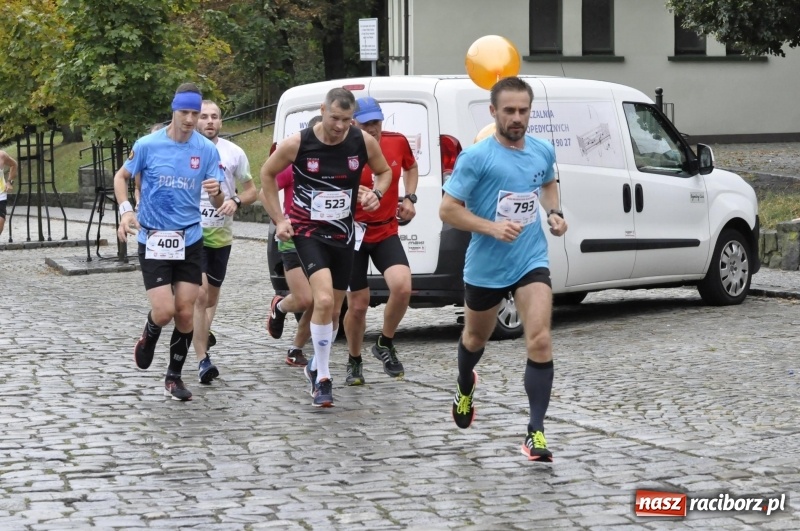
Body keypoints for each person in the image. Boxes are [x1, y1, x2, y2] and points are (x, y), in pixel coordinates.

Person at [438, 76, 568, 462]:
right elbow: (448, 210)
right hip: (486, 265)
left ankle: (535, 432)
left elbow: (547, 184)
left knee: (540, 339)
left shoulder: (542, 150)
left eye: (523, 111)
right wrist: (491, 227)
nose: (517, 118)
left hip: (530, 258)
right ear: (493, 111)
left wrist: (555, 213)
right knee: (474, 339)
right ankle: (465, 385)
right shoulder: (476, 157)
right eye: (509, 110)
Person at [260, 87, 392, 407]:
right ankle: (322, 376)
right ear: (322, 110)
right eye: (335, 118)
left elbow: (385, 171)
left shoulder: (362, 141)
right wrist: (279, 218)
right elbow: (267, 173)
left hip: (343, 234)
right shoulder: (298, 143)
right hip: (308, 232)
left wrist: (376, 193)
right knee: (321, 299)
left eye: (347, 120)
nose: (340, 126)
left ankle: (314, 366)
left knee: (333, 311)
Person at [115, 82, 224, 401]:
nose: (190, 119)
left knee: (186, 312)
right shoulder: (148, 145)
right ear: (174, 110)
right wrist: (126, 211)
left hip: (189, 239)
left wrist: (218, 192)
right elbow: (121, 177)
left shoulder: (206, 150)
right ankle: (149, 334)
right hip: (154, 238)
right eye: (184, 112)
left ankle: (174, 377)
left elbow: (218, 201)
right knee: (164, 312)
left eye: (195, 113)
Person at [342, 98, 418, 386]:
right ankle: (354, 359)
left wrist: (409, 197)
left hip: (385, 230)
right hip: (353, 234)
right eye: (366, 124)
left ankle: (384, 342)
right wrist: (353, 194)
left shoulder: (396, 141)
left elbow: (411, 167)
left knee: (403, 287)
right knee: (358, 305)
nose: (373, 128)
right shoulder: (342, 148)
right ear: (353, 123)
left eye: (376, 122)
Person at [191, 100, 257, 383]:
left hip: (220, 236)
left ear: (221, 122)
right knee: (201, 294)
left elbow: (252, 190)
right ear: (196, 120)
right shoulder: (186, 150)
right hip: (191, 235)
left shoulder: (234, 152)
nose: (209, 121)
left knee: (210, 299)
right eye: (204, 116)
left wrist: (236, 201)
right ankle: (202, 358)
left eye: (214, 117)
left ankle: (199, 334)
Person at [263, 115, 323, 368]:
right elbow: (264, 191)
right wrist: (279, 221)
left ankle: (295, 349)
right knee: (305, 299)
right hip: (294, 239)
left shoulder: (337, 166)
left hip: (324, 239)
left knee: (320, 300)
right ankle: (280, 306)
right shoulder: (294, 165)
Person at [134, 123, 166, 212]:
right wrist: (138, 201)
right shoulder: (144, 154)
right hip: (148, 204)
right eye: (152, 137)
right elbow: (138, 186)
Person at [0, 150, 19, 237]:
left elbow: (14, 164)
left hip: (0, 195)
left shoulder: (1, 155)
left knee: (0, 222)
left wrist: (9, 182)